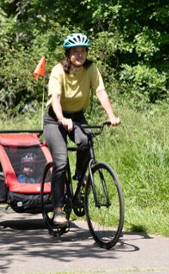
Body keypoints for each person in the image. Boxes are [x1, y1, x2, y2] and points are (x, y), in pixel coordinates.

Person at [43, 33, 121, 226]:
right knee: (60, 162)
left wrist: (111, 116)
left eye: (83, 51)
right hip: (54, 118)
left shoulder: (91, 68)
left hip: (77, 116)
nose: (80, 55)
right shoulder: (58, 71)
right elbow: (56, 99)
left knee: (86, 141)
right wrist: (62, 118)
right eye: (75, 51)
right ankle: (58, 210)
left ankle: (80, 176)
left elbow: (100, 92)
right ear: (68, 54)